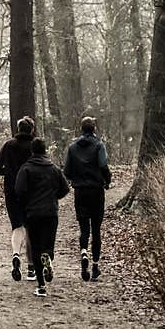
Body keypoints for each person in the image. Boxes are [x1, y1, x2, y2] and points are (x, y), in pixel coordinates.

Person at [15, 138, 70, 297]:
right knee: (48, 244)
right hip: (51, 212)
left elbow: (19, 191)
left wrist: (26, 202)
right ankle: (49, 257)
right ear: (45, 150)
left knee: (36, 248)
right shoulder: (54, 169)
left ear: (32, 151)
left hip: (32, 213)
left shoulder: (26, 169)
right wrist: (53, 197)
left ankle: (41, 286)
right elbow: (65, 188)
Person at [63, 116, 112, 282]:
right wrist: (107, 180)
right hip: (96, 191)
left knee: (84, 228)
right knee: (96, 230)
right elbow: (103, 165)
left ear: (81, 129)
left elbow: (67, 171)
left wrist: (77, 177)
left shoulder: (72, 148)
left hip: (80, 192)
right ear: (94, 129)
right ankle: (96, 265)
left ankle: (83, 252)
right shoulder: (99, 146)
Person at [0, 116, 36, 281]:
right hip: (30, 191)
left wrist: (10, 173)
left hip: (11, 190)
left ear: (18, 129)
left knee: (17, 226)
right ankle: (31, 268)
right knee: (30, 227)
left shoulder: (8, 145)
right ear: (31, 129)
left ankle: (16, 255)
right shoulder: (35, 145)